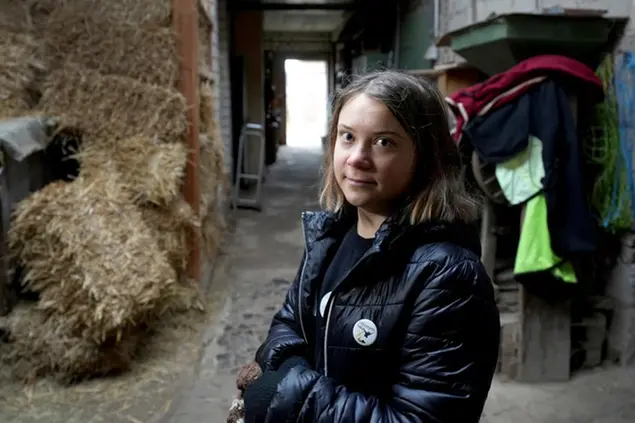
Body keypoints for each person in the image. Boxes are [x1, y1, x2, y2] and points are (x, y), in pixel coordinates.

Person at [241, 70, 501, 423]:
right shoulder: (330, 236)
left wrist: (290, 394)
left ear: (425, 158)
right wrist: (288, 372)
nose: (357, 157)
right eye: (347, 137)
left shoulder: (448, 275)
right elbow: (290, 323)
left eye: (384, 142)